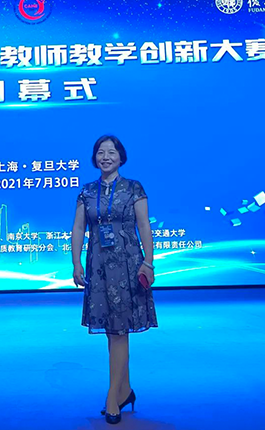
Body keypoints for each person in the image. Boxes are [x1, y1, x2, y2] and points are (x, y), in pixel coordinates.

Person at [71, 135, 158, 425]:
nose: (105, 156)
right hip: (98, 268)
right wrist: (76, 263)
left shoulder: (134, 188)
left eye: (111, 152)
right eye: (100, 152)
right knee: (112, 331)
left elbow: (144, 225)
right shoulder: (86, 191)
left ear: (121, 157)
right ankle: (125, 390)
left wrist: (148, 262)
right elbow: (78, 228)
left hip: (128, 266)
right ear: (94, 157)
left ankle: (112, 398)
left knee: (119, 331)